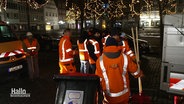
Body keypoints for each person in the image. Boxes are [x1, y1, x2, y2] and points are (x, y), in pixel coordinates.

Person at [95, 37, 142, 104]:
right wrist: (140, 73)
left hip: (109, 96)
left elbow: (98, 78)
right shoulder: (125, 57)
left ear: (105, 46)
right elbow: (135, 72)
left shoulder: (100, 60)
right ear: (117, 45)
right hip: (124, 94)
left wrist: (99, 90)